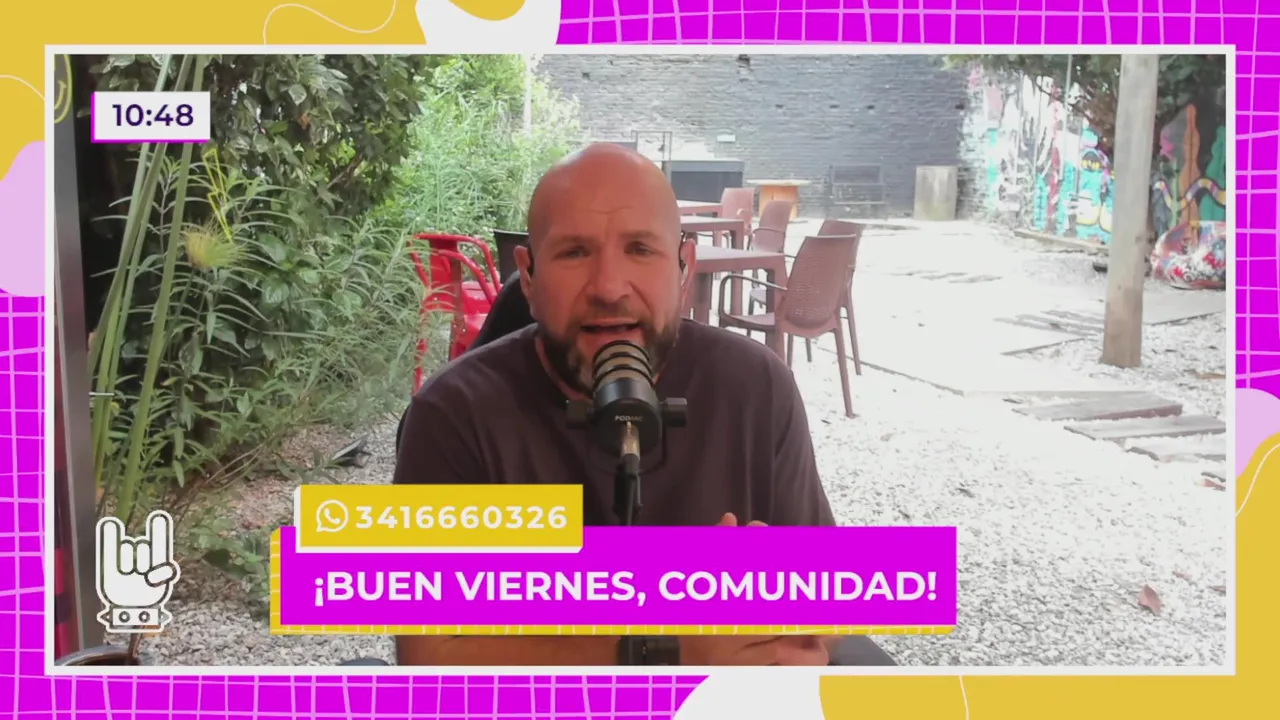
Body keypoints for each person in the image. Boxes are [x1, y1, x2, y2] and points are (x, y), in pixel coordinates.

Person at [393, 143, 886, 666]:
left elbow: (831, 602)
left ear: (683, 268)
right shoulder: (452, 415)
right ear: (529, 278)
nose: (609, 287)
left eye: (641, 249)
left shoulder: (756, 388)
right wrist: (666, 648)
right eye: (574, 252)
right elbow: (428, 657)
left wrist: (783, 629)